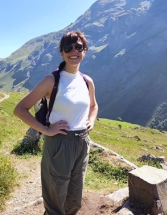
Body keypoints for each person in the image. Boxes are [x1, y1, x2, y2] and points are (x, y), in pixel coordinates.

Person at [13, 30, 98, 215]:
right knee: (55, 202)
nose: (73, 51)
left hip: (82, 142)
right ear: (62, 52)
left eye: (78, 47)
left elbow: (93, 106)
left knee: (74, 201)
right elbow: (20, 109)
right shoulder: (52, 80)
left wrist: (91, 120)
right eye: (68, 48)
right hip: (59, 143)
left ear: (85, 50)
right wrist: (45, 130)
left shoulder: (87, 81)